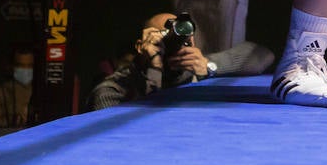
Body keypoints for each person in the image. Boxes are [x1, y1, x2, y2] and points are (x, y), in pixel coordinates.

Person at [88, 11, 274, 110]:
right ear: (141, 46)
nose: (174, 43)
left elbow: (263, 55)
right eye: (164, 35)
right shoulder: (113, 89)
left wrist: (210, 67)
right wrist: (155, 67)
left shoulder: (192, 66)